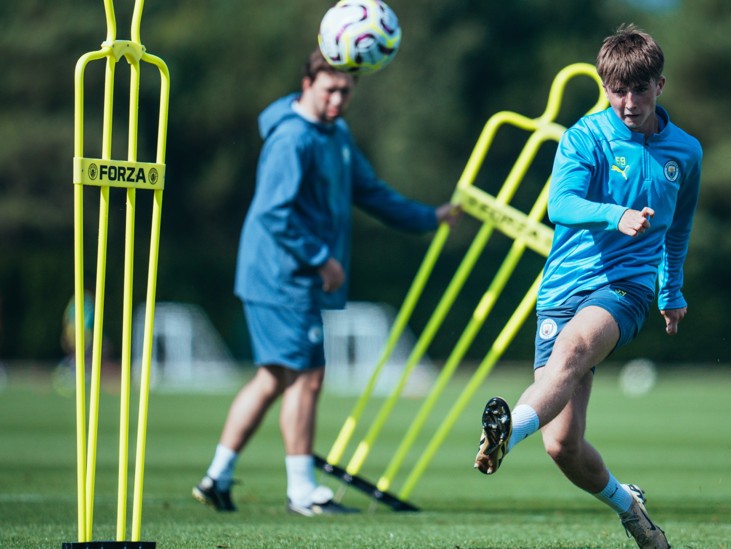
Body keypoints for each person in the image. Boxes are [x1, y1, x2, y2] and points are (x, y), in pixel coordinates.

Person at [193, 49, 461, 517]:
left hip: (287, 275)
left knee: (274, 376)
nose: (338, 98)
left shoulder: (335, 134)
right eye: (330, 89)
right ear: (307, 84)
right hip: (281, 275)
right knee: (308, 376)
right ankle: (302, 492)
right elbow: (273, 213)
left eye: (346, 90)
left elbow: (369, 191)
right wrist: (321, 259)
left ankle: (218, 476)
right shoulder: (292, 139)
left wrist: (427, 217)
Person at [473, 24, 701, 549]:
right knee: (562, 447)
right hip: (563, 287)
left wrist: (671, 290)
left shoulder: (684, 153)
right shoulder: (585, 137)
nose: (628, 102)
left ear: (659, 85)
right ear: (604, 87)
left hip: (626, 287)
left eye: (639, 90)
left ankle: (507, 431)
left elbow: (679, 227)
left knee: (575, 347)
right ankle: (631, 508)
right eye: (616, 90)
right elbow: (562, 205)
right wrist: (615, 214)